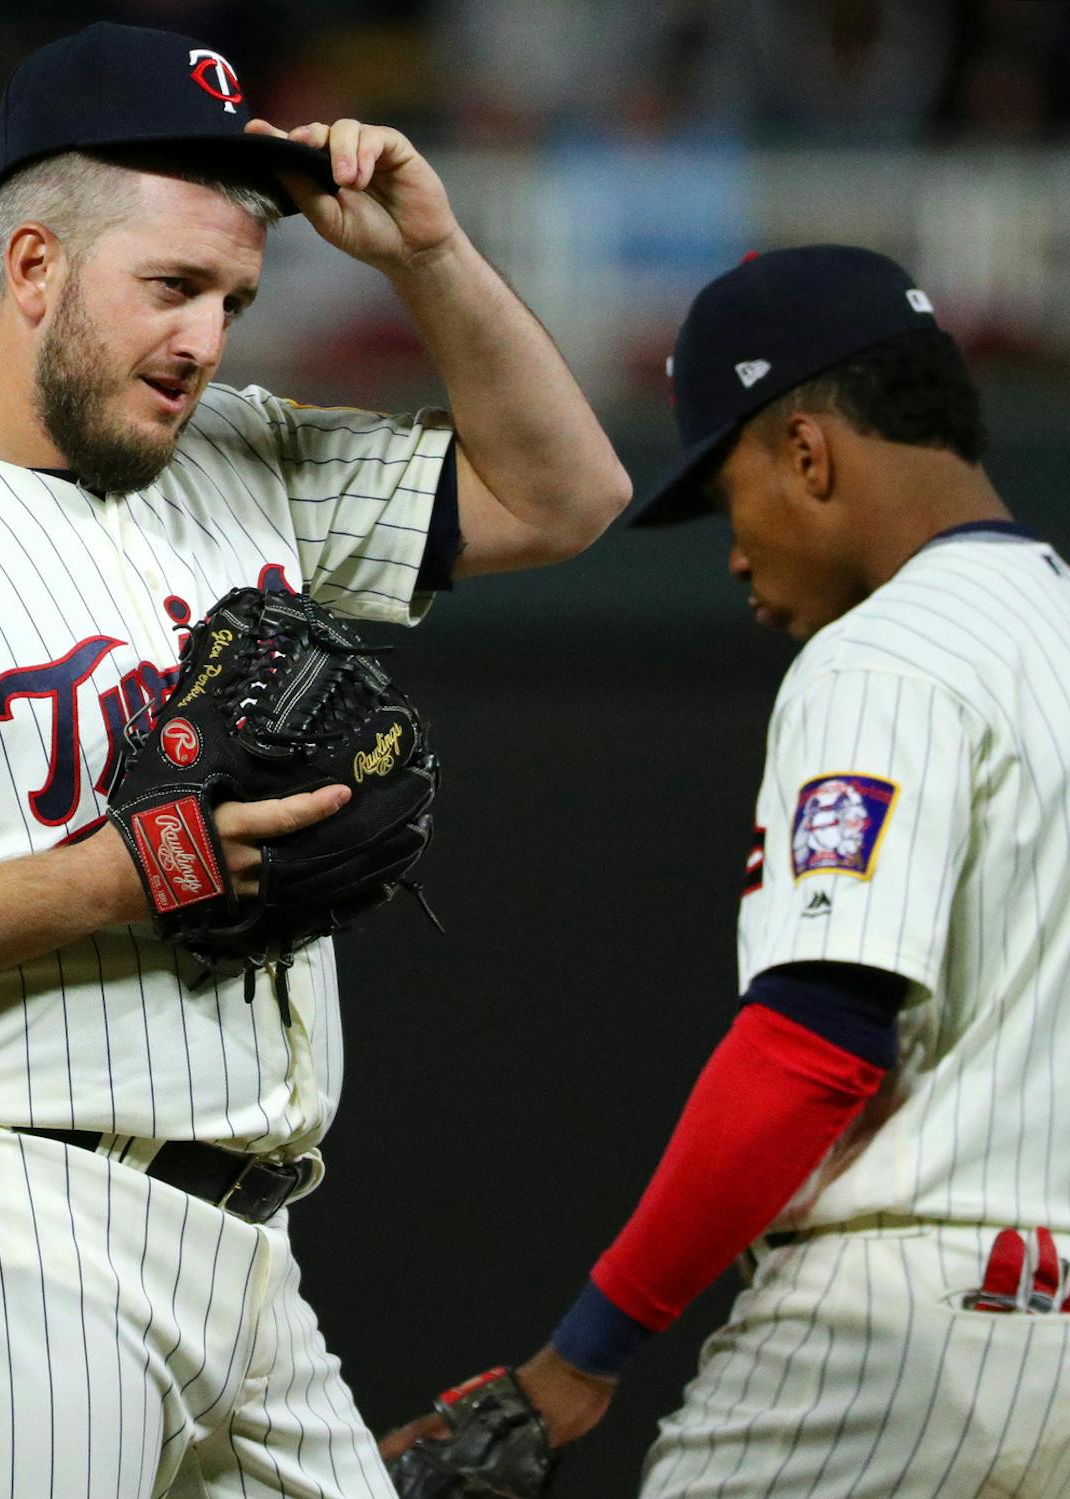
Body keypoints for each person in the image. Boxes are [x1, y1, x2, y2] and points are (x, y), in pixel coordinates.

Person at [0, 21, 631, 1497]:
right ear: (35, 268)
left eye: (235, 299)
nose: (205, 338)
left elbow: (568, 495)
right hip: (2, 1226)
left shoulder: (235, 458)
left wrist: (431, 258)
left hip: (253, 1252)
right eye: (171, 287)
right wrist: (126, 877)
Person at [382, 246, 1070, 1495]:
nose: (738, 554)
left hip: (901, 1329)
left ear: (808, 452)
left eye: (730, 490)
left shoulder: (887, 654)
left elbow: (814, 1048)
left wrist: (575, 1362)